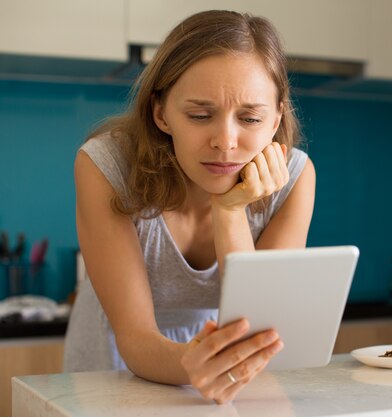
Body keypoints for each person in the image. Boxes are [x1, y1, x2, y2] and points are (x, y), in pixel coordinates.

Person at [63, 10, 316, 404]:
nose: (226, 141)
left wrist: (229, 211)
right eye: (200, 115)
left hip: (220, 370)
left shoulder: (296, 177)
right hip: (111, 368)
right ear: (161, 113)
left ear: (276, 118)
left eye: (250, 117)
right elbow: (134, 337)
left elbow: (255, 332)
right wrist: (197, 364)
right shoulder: (105, 165)